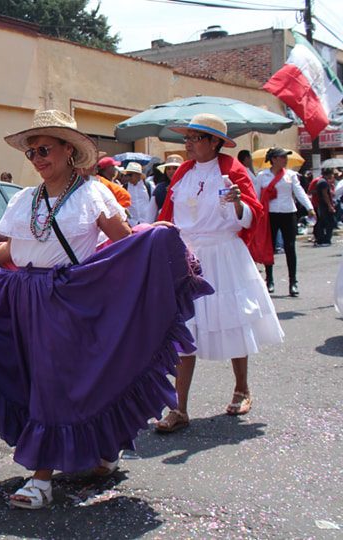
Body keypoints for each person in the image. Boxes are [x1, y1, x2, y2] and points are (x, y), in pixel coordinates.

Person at [0, 110, 212, 509]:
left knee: (54, 381)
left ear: (69, 151)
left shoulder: (92, 193)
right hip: (22, 296)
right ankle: (102, 450)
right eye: (31, 152)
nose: (37, 158)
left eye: (45, 149)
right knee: (44, 378)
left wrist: (158, 239)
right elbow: (14, 250)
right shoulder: (25, 198)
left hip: (69, 298)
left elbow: (124, 244)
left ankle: (42, 478)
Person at [155, 113, 284, 433]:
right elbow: (169, 214)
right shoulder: (182, 173)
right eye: (186, 138)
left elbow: (251, 216)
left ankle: (242, 388)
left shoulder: (233, 171)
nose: (187, 144)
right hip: (187, 256)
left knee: (233, 320)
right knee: (184, 330)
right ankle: (178, 408)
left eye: (194, 138)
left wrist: (237, 204)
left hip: (223, 255)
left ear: (214, 142)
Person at [254, 147, 314, 296]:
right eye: (282, 157)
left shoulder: (291, 175)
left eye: (285, 157)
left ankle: (293, 282)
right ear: (273, 159)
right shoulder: (262, 176)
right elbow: (255, 195)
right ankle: (269, 279)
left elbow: (299, 192)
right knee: (270, 246)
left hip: (288, 213)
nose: (285, 160)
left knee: (290, 247)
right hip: (270, 214)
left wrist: (309, 207)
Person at [312, 166, 337, 247]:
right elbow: (325, 195)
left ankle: (321, 239)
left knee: (323, 222)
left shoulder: (322, 181)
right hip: (324, 206)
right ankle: (325, 240)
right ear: (329, 174)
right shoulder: (323, 182)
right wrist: (330, 206)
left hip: (322, 205)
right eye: (332, 174)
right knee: (329, 223)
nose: (333, 175)